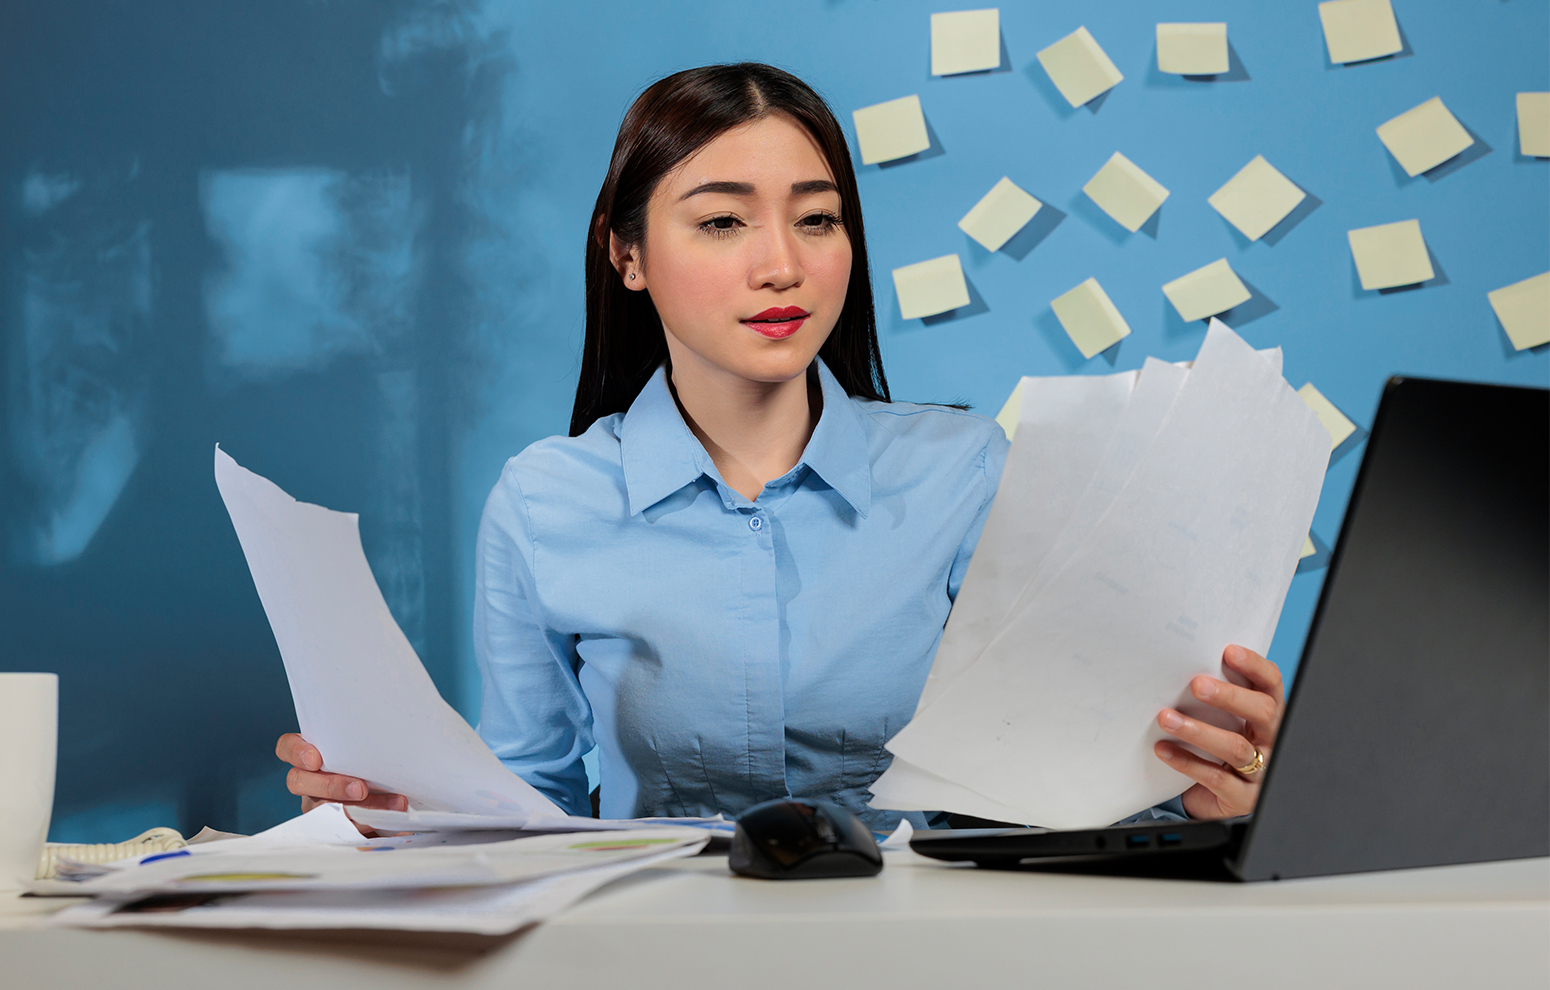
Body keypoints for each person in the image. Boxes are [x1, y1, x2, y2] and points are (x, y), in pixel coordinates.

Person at [278, 63, 1285, 831]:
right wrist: (399, 815)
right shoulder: (544, 501)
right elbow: (527, 810)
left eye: (817, 219)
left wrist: (1214, 775)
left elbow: (1067, 786)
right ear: (625, 254)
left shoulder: (966, 472)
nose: (781, 265)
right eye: (721, 221)